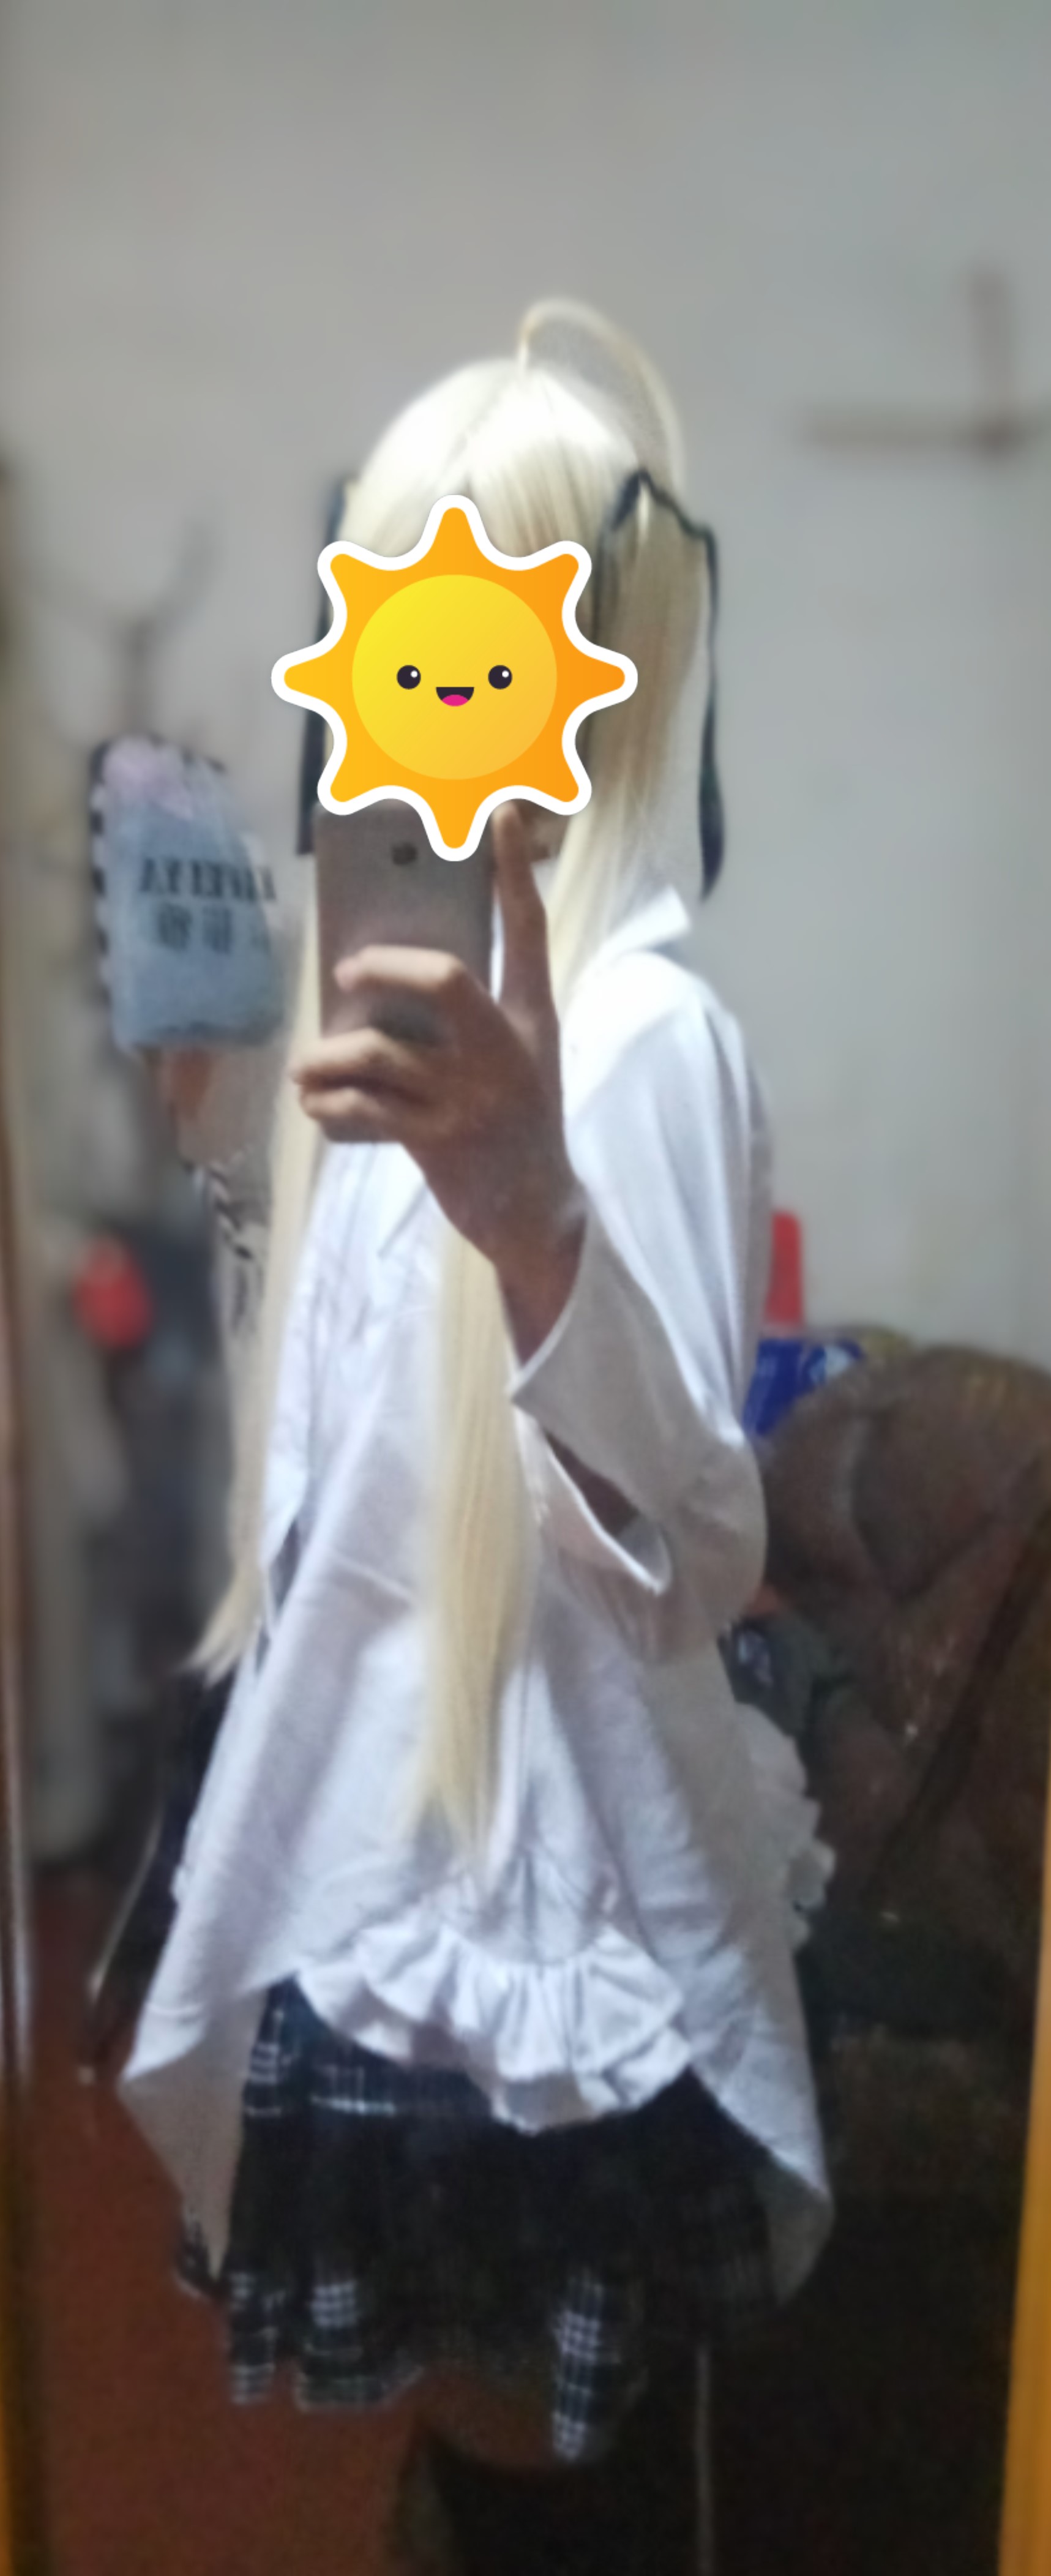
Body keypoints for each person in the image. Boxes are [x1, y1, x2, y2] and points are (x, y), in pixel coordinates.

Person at [121, 299, 829, 2576]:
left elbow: (690, 1550)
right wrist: (229, 1142)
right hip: (384, 1834)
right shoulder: (393, 1028)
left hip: (549, 1887)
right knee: (453, 2429)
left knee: (549, 2464)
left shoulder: (639, 1044)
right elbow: (353, 1449)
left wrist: (538, 1235)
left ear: (590, 665)